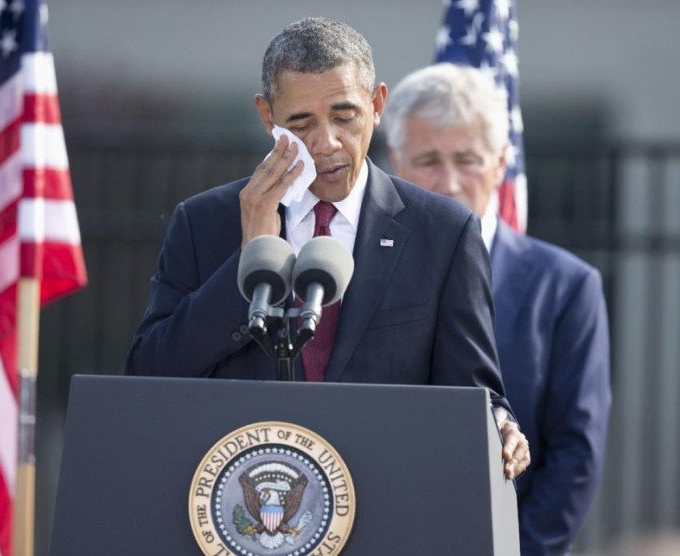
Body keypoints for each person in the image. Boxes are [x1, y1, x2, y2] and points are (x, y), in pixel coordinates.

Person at [126, 17, 529, 480]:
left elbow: (472, 393)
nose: (326, 143)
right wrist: (252, 254)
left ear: (377, 105)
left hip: (387, 503)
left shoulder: (444, 231)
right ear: (267, 117)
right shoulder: (203, 223)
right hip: (241, 507)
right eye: (301, 122)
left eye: (344, 116)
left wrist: (498, 421)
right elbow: (148, 375)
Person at [384, 63, 611, 555]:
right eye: (428, 160)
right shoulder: (356, 270)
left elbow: (576, 451)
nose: (448, 182)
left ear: (501, 161)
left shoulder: (567, 286)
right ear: (396, 161)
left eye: (467, 159)